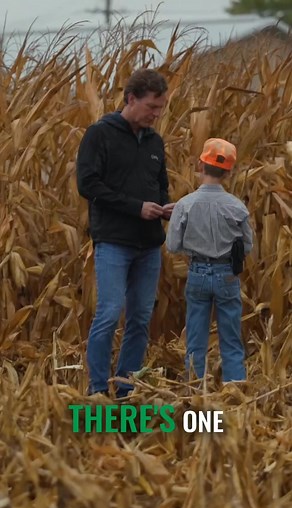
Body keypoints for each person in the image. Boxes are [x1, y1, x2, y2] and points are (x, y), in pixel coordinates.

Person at [76, 68, 175, 397]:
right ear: (131, 99)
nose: (157, 114)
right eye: (152, 107)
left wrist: (165, 207)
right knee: (108, 312)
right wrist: (136, 207)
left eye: (160, 108)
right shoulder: (99, 134)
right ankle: (96, 391)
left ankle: (126, 389)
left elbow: (160, 186)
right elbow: (87, 185)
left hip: (149, 245)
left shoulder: (154, 142)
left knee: (140, 318)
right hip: (114, 242)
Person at [166, 138, 253, 384]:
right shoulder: (237, 207)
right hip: (227, 275)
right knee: (231, 338)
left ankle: (193, 389)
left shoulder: (185, 204)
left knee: (195, 338)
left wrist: (192, 247)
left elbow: (172, 245)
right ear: (228, 172)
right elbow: (248, 245)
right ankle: (235, 391)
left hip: (197, 273)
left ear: (201, 165)